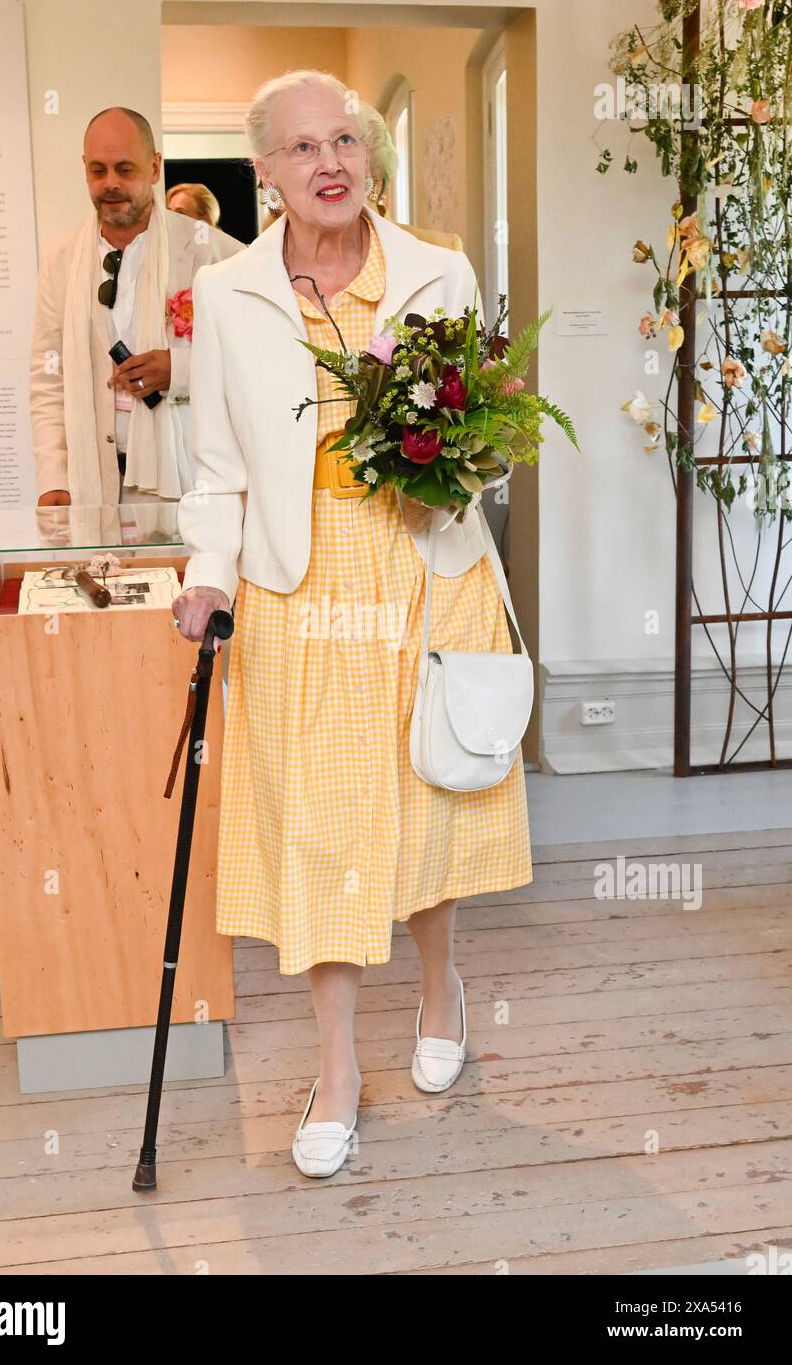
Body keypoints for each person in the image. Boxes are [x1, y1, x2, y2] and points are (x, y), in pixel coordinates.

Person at [173, 70, 532, 1179]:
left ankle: (438, 991)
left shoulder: (439, 270)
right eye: (299, 147)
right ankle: (336, 1069)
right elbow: (216, 465)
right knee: (319, 829)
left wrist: (451, 463)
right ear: (267, 173)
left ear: (369, 155)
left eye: (344, 140)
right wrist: (208, 573)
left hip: (424, 568)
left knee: (426, 805)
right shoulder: (229, 297)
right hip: (295, 589)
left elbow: (485, 429)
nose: (326, 162)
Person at [29, 107, 244, 508]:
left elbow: (254, 363)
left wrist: (177, 370)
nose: (111, 184)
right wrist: (53, 478)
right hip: (91, 482)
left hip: (186, 481)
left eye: (125, 169)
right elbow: (48, 378)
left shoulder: (216, 254)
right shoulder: (60, 258)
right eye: (98, 170)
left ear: (154, 167)